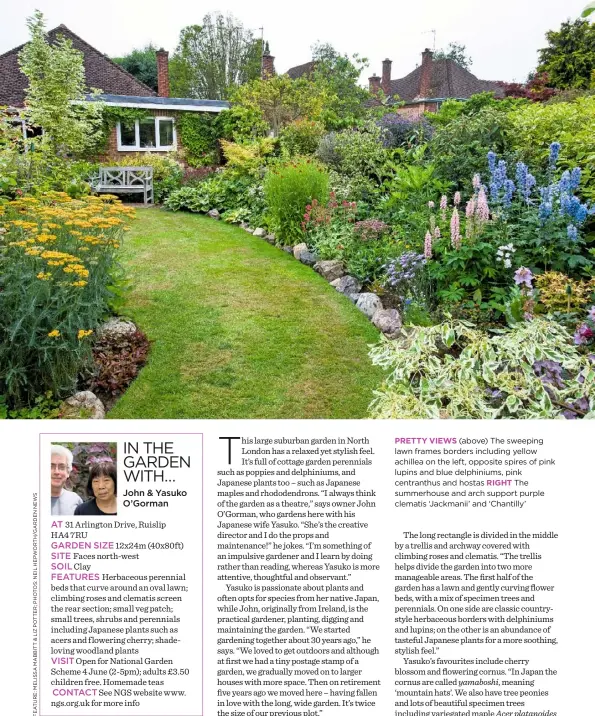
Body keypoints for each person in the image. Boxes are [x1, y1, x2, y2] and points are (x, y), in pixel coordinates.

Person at [51, 445, 83, 515]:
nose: (56, 472)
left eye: (62, 467)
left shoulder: (75, 500)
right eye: (51, 466)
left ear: (68, 472)